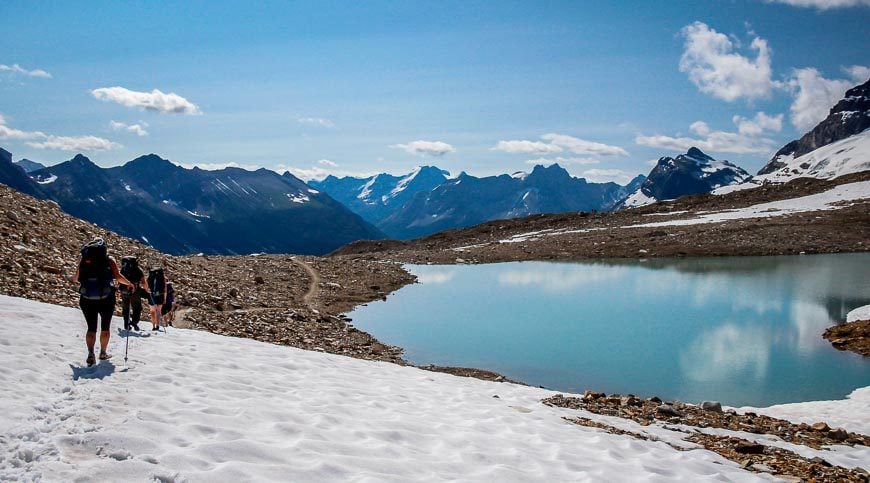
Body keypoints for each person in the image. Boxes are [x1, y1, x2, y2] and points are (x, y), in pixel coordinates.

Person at [73, 237, 133, 366]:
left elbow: (76, 278)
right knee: (105, 327)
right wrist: (129, 284)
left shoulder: (84, 259)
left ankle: (90, 353)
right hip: (106, 298)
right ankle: (103, 352)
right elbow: (117, 277)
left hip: (87, 298)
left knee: (91, 328)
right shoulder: (109, 260)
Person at [119, 256, 150, 331]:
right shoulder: (138, 270)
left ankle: (126, 324)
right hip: (135, 292)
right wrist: (147, 289)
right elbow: (143, 282)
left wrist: (120, 291)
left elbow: (119, 279)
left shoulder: (123, 269)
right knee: (137, 308)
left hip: (124, 290)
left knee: (126, 307)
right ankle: (134, 322)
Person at [147, 266, 167, 331]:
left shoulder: (149, 277)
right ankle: (157, 326)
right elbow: (165, 290)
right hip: (160, 295)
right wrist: (164, 298)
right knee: (158, 311)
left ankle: (153, 326)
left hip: (152, 295)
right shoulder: (163, 278)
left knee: (152, 311)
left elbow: (147, 287)